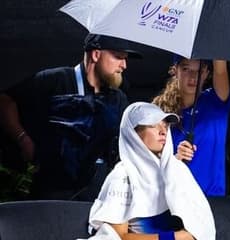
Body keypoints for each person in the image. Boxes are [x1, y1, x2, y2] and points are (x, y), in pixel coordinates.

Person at [0, 33, 142, 200]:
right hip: (51, 188)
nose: (124, 65)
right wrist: (23, 139)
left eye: (125, 59)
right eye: (118, 57)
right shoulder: (54, 80)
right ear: (96, 55)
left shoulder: (118, 98)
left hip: (97, 190)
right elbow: (4, 101)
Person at [86, 102, 215, 240]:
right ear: (133, 133)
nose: (163, 131)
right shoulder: (123, 175)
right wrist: (173, 238)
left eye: (165, 125)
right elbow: (118, 237)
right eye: (153, 125)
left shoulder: (177, 170)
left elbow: (200, 226)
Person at [152, 56, 230, 196]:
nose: (193, 76)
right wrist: (176, 158)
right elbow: (148, 168)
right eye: (186, 69)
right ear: (175, 70)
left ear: (206, 73)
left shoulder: (216, 101)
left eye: (199, 70)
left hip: (211, 202)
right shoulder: (159, 113)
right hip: (174, 201)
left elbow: (220, 70)